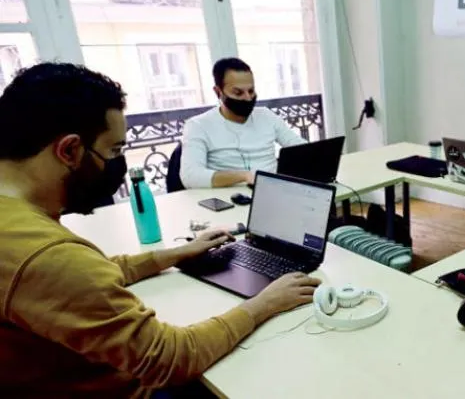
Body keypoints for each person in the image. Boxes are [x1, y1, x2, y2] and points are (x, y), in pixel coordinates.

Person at [0, 63, 321, 397]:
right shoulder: (46, 256)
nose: (118, 164)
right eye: (114, 150)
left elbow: (90, 275)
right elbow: (171, 358)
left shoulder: (17, 226)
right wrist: (264, 303)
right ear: (69, 150)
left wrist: (171, 255)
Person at [180, 57, 306, 189]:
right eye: (238, 93)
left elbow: (301, 148)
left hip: (273, 191)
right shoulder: (198, 125)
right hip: (228, 195)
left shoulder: (266, 116)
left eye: (251, 91)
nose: (248, 98)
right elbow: (190, 176)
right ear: (218, 92)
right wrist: (244, 176)